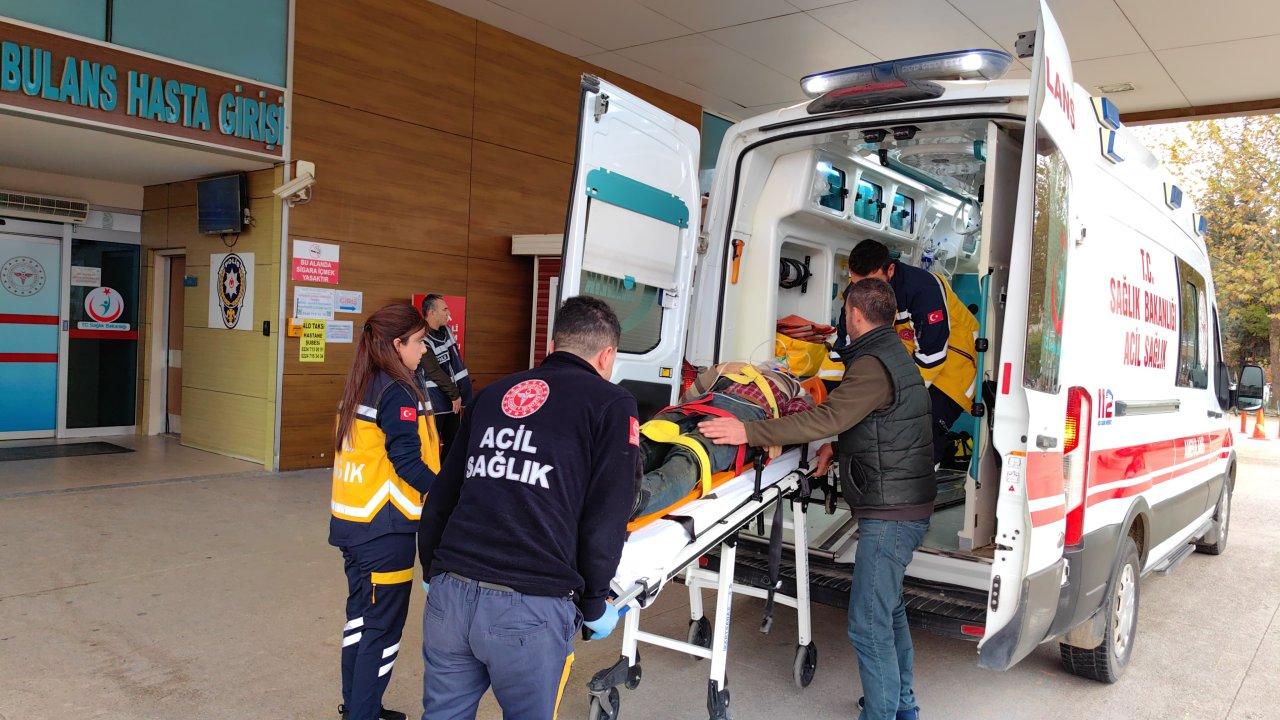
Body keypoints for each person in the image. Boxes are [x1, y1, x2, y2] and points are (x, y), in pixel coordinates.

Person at [701, 279, 935, 720]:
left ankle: (884, 712)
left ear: (855, 315)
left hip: (892, 513)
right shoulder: (893, 354)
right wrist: (838, 448)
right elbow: (887, 424)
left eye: (845, 312)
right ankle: (902, 706)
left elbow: (828, 416)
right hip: (903, 503)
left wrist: (748, 431)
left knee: (868, 623)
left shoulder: (872, 364)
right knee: (888, 612)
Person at [416, 296, 640, 720]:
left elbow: (444, 492)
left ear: (553, 345)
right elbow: (607, 514)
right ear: (607, 354)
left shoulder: (493, 394)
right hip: (530, 607)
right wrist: (595, 602)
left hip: (450, 594)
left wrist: (432, 569)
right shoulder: (611, 404)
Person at [330, 304, 442, 720]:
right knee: (383, 629)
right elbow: (407, 461)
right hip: (385, 531)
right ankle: (363, 714)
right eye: (419, 342)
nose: (423, 350)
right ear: (398, 344)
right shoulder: (397, 391)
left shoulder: (364, 382)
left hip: (353, 525)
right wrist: (447, 497)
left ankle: (360, 708)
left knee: (361, 621)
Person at [835, 239, 979, 466]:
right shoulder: (858, 291)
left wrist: (899, 397)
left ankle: (924, 477)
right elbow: (845, 345)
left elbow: (932, 356)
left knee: (922, 429)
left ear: (890, 270)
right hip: (909, 362)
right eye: (858, 285)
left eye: (872, 283)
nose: (864, 293)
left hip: (953, 366)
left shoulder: (922, 288)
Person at [420, 294, 472, 455]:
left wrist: (464, 395)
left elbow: (456, 365)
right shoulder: (421, 336)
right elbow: (433, 371)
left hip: (452, 402)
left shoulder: (446, 331)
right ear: (431, 312)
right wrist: (455, 394)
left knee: (453, 444)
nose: (448, 313)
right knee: (431, 446)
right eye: (444, 309)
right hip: (435, 402)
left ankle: (447, 471)